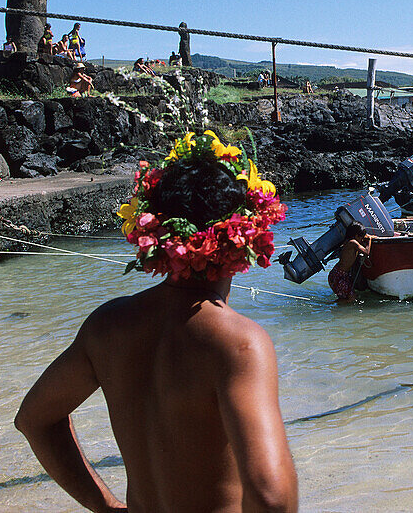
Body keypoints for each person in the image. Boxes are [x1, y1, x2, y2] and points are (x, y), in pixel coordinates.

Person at [16, 131, 297, 513]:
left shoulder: (108, 326)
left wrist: (106, 506)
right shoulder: (238, 344)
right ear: (249, 234)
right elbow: (271, 497)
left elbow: (34, 420)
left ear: (151, 230)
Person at [327, 222, 372, 302]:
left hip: (340, 274)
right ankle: (330, 305)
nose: (362, 240)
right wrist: (369, 240)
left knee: (350, 296)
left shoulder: (348, 242)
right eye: (360, 237)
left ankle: (336, 307)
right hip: (338, 275)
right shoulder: (353, 243)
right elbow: (366, 252)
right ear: (355, 236)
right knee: (351, 298)